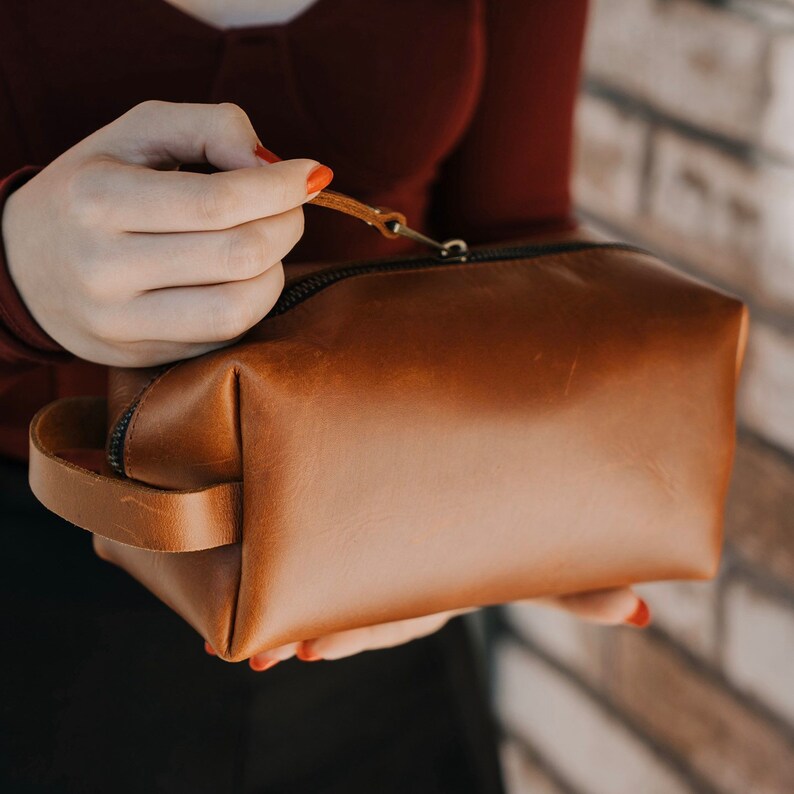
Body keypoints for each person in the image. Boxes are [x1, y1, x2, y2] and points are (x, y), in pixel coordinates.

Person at [0, 1, 651, 790]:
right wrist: (15, 277)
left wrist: (503, 500)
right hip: (32, 603)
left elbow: (517, 239)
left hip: (384, 575)